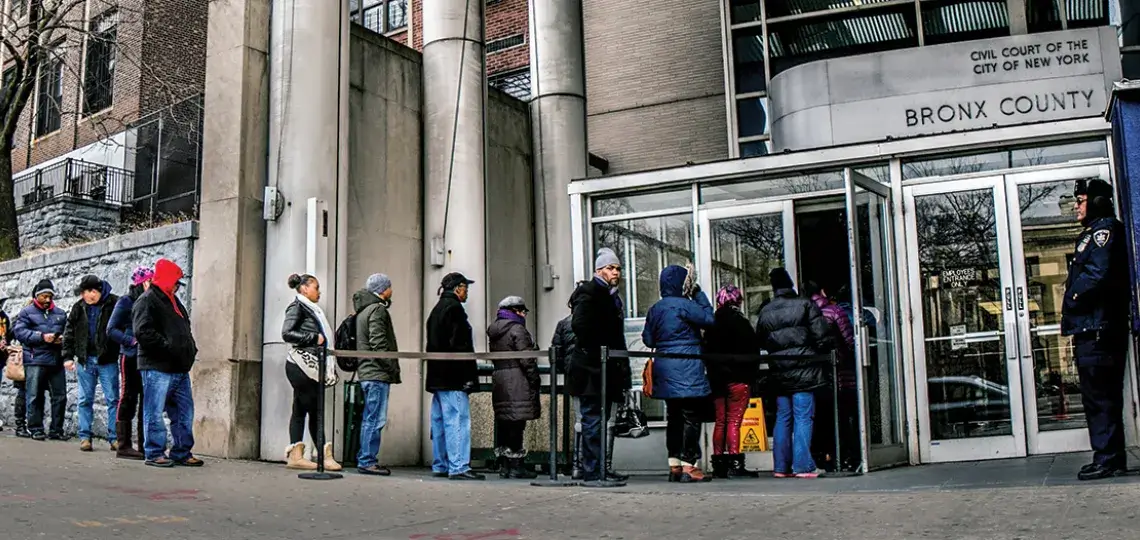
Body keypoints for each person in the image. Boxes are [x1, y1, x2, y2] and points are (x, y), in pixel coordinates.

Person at [1062, 179, 1130, 481]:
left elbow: (1098, 273)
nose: (1077, 205)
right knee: (1098, 396)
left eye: (1082, 199)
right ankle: (1107, 456)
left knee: (1100, 396)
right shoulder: (1093, 232)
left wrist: (1074, 297)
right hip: (1093, 326)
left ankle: (1108, 458)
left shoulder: (1103, 232)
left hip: (1098, 327)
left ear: (1098, 201)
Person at [642, 264, 715, 482]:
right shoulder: (686, 305)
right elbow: (710, 320)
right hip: (688, 367)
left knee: (674, 417)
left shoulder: (656, 308)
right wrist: (699, 294)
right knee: (691, 416)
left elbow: (648, 340)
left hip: (665, 368)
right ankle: (689, 465)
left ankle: (674, 464)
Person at [756, 268, 831, 479]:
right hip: (805, 370)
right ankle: (803, 466)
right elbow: (822, 336)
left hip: (779, 372)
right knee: (803, 417)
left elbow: (761, 339)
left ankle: (780, 466)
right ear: (790, 284)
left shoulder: (766, 311)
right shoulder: (805, 304)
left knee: (783, 418)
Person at [569, 248, 632, 485]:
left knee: (600, 420)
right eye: (610, 268)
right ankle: (592, 471)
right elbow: (581, 325)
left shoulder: (609, 295)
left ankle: (598, 469)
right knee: (593, 420)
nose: (615, 272)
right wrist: (599, 351)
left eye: (617, 268)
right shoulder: (591, 293)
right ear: (598, 270)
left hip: (604, 367)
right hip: (592, 368)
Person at [133, 258, 202, 468]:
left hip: (178, 366)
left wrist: (188, 349)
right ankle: (154, 452)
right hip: (157, 366)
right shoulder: (147, 300)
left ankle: (181, 451)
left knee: (184, 412)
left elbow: (182, 327)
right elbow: (142, 331)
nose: (178, 286)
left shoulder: (172, 299)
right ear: (166, 280)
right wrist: (168, 346)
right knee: (153, 411)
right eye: (175, 281)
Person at [425, 272, 484, 481]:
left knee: (440, 422)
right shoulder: (455, 309)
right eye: (465, 287)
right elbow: (461, 346)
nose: (466, 291)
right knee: (457, 420)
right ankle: (458, 465)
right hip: (453, 376)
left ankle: (441, 463)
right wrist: (468, 377)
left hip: (437, 376)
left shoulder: (436, 310)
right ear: (458, 288)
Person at [281, 273, 342, 472]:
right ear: (305, 288)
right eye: (316, 287)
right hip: (303, 365)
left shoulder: (310, 309)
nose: (319, 292)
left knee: (304, 408)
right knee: (313, 408)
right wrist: (314, 338)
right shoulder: (298, 307)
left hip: (308, 366)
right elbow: (287, 332)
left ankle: (300, 454)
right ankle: (320, 456)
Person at [703, 284, 761, 479]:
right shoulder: (742, 323)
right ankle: (735, 463)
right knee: (735, 421)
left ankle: (719, 464)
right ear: (738, 300)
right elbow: (753, 351)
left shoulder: (712, 323)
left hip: (717, 379)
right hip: (739, 377)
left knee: (720, 421)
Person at [62, 275, 121, 452]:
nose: (90, 295)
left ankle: (115, 438)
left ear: (100, 290)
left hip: (107, 359)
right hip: (85, 360)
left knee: (112, 399)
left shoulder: (114, 303)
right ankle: (85, 437)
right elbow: (69, 332)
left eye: (93, 291)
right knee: (84, 400)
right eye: (86, 292)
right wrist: (67, 357)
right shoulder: (78, 307)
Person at [804, 281, 858, 472]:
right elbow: (849, 339)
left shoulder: (803, 313)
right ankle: (846, 456)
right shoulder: (834, 311)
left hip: (815, 375)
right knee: (843, 417)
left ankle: (822, 455)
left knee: (821, 417)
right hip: (841, 372)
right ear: (822, 291)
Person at [353, 273, 401, 476]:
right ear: (383, 289)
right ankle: (367, 461)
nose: (391, 290)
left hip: (367, 371)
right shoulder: (377, 310)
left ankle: (365, 458)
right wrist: (390, 366)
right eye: (389, 287)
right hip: (376, 373)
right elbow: (378, 342)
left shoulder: (363, 310)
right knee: (375, 419)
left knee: (369, 418)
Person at [487, 295, 540, 480]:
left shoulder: (494, 330)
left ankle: (504, 465)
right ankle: (516, 466)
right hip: (518, 380)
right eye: (523, 311)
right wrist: (535, 379)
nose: (525, 315)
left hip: (500, 379)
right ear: (516, 311)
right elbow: (527, 359)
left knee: (505, 422)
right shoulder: (518, 329)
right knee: (517, 423)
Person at [107, 266, 153, 460]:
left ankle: (144, 445)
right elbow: (111, 329)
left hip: (147, 357)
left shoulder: (151, 300)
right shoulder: (125, 302)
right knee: (128, 398)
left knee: (146, 400)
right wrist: (130, 341)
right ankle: (124, 444)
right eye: (151, 281)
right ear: (143, 282)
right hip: (130, 355)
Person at [13, 280, 68, 441]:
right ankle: (35, 428)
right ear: (37, 296)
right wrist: (42, 337)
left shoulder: (60, 313)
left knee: (60, 396)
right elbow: (20, 332)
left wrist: (62, 340)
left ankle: (56, 430)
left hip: (56, 360)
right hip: (35, 359)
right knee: (34, 395)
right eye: (45, 296)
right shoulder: (26, 312)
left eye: (50, 296)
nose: (48, 300)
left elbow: (68, 333)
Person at [552, 299, 586, 479]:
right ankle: (587, 463)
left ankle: (576, 465)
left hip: (572, 376)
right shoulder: (592, 321)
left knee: (579, 419)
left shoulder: (563, 323)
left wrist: (565, 369)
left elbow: (556, 353)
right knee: (595, 419)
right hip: (591, 375)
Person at [0, 306, 28, 438]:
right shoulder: (23, 316)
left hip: (3, 359)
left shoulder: (3, 317)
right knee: (23, 393)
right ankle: (21, 424)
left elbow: (7, 335)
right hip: (20, 360)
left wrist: (5, 343)